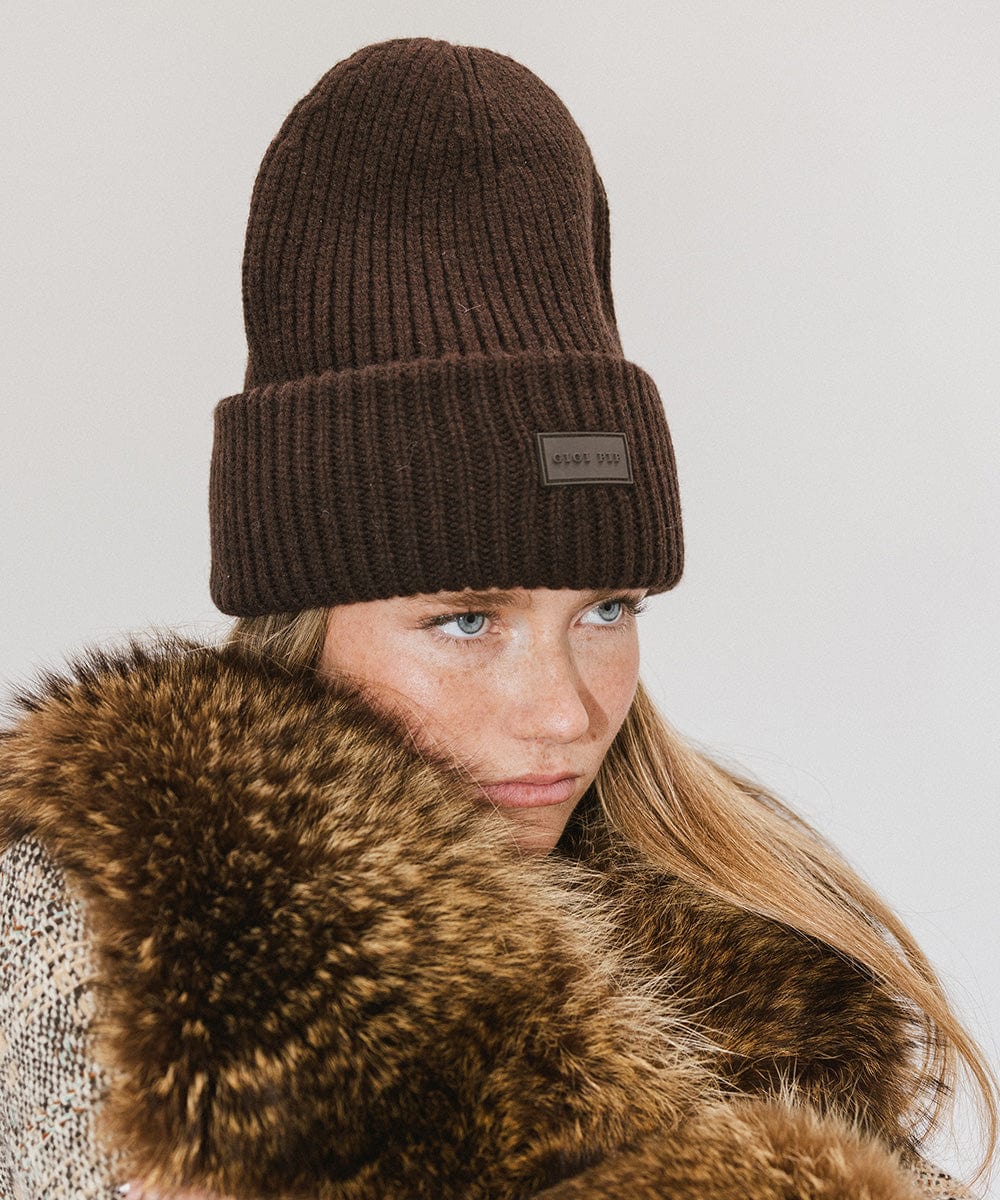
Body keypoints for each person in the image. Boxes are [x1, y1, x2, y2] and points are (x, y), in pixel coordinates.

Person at [0, 35, 995, 1200]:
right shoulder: (115, 958)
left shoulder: (768, 969)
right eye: (466, 619)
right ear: (302, 611)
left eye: (607, 607)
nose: (565, 712)